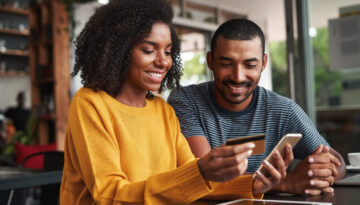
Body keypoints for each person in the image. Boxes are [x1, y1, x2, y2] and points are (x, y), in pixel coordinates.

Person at [60, 1, 293, 204]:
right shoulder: (90, 105)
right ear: (119, 51)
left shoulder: (162, 110)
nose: (163, 62)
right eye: (149, 50)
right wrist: (200, 172)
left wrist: (253, 185)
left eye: (169, 51)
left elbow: (190, 181)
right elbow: (109, 195)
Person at [168, 18, 346, 196]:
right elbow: (205, 178)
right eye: (226, 64)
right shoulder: (186, 101)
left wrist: (317, 174)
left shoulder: (283, 110)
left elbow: (338, 163)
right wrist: (287, 183)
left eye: (250, 65)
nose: (238, 77)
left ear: (263, 63)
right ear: (210, 61)